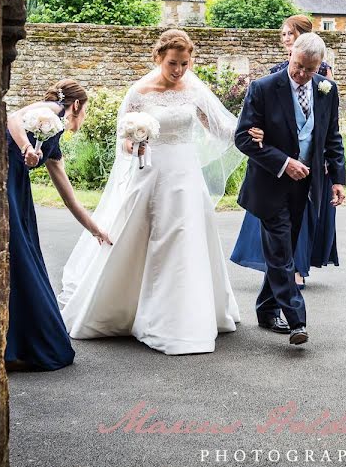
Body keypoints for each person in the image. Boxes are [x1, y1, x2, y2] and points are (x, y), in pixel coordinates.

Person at [58, 29, 243, 356]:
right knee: (144, 236)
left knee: (187, 236)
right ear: (158, 58)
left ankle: (187, 314)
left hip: (185, 175)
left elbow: (218, 127)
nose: (179, 70)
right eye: (173, 63)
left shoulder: (195, 89)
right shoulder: (139, 92)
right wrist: (132, 142)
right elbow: (123, 140)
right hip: (152, 173)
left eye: (185, 63)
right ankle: (131, 308)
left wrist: (248, 127)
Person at [234, 32, 346, 346]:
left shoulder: (327, 90)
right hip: (270, 185)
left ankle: (266, 309)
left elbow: (332, 137)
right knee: (282, 253)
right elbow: (243, 137)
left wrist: (337, 179)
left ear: (320, 66)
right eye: (297, 66)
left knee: (284, 249)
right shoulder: (264, 88)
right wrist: (284, 162)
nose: (301, 74)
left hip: (306, 188)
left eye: (309, 70)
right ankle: (296, 319)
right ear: (291, 55)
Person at [5, 79, 112, 371]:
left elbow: (70, 198)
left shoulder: (53, 144)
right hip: (2, 178)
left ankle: (17, 343)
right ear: (76, 105)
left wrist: (95, 229)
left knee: (23, 258)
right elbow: (12, 117)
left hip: (18, 189)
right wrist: (27, 146)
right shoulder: (52, 111)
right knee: (17, 258)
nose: (84, 116)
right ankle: (12, 343)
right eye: (85, 109)